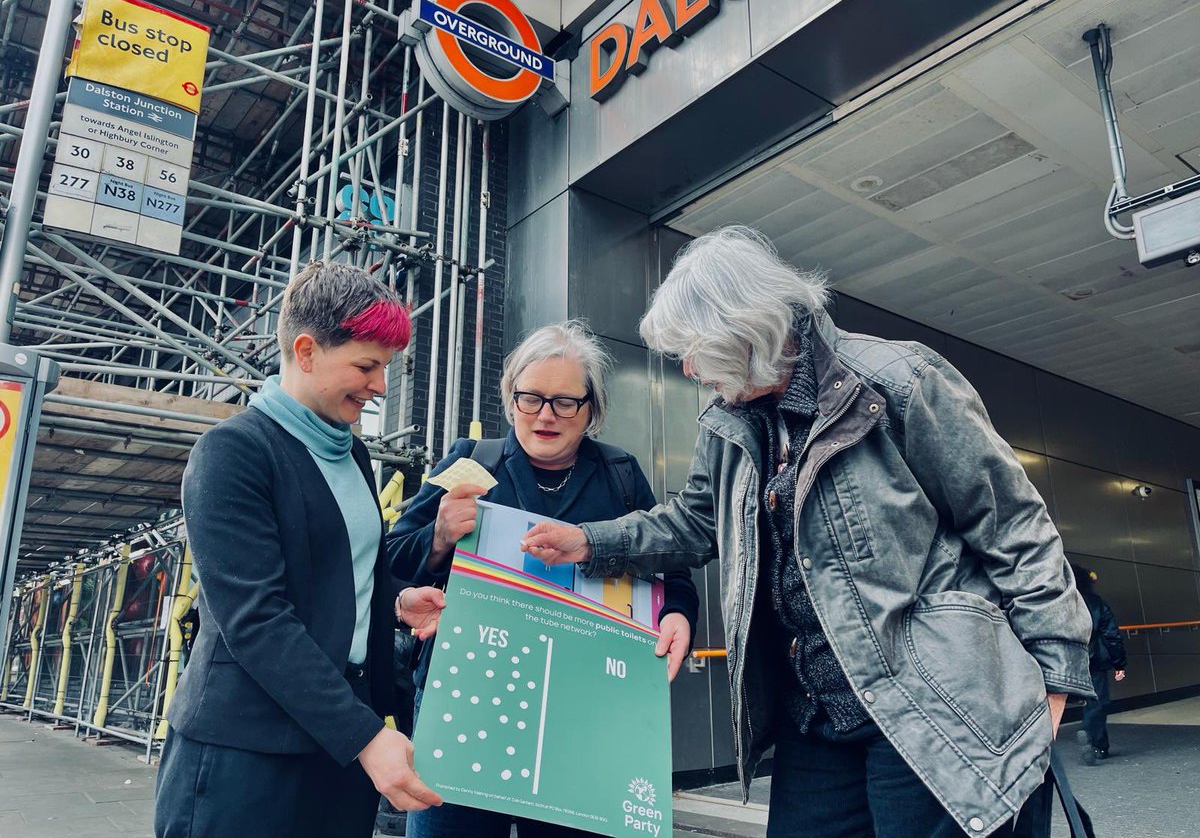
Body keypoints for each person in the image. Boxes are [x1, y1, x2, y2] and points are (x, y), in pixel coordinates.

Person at [522, 227, 1096, 838]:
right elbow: (695, 521)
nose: (688, 369)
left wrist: (1057, 675)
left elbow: (1012, 523)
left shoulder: (899, 380)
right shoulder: (727, 423)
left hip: (929, 705)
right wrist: (588, 542)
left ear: (742, 330)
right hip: (814, 717)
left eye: (694, 349)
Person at [155, 262, 444, 838]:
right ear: (307, 351)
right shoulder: (233, 453)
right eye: (366, 365)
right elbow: (257, 618)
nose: (380, 386)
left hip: (336, 741)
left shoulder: (353, 455)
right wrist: (364, 735)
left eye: (385, 368)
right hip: (250, 752)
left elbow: (336, 574)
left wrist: (394, 600)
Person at [387, 320, 700, 838]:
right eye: (531, 398)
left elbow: (670, 567)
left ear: (591, 409)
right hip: (466, 706)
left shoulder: (620, 475)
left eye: (565, 402)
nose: (546, 415)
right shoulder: (470, 461)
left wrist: (677, 614)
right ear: (511, 400)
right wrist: (439, 536)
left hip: (579, 715)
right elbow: (393, 559)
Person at [1072, 564, 1127, 765]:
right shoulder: (1095, 603)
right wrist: (1119, 663)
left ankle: (1100, 745)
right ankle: (1095, 740)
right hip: (1093, 659)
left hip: (1067, 661)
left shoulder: (1061, 602)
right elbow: (1111, 634)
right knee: (1098, 701)